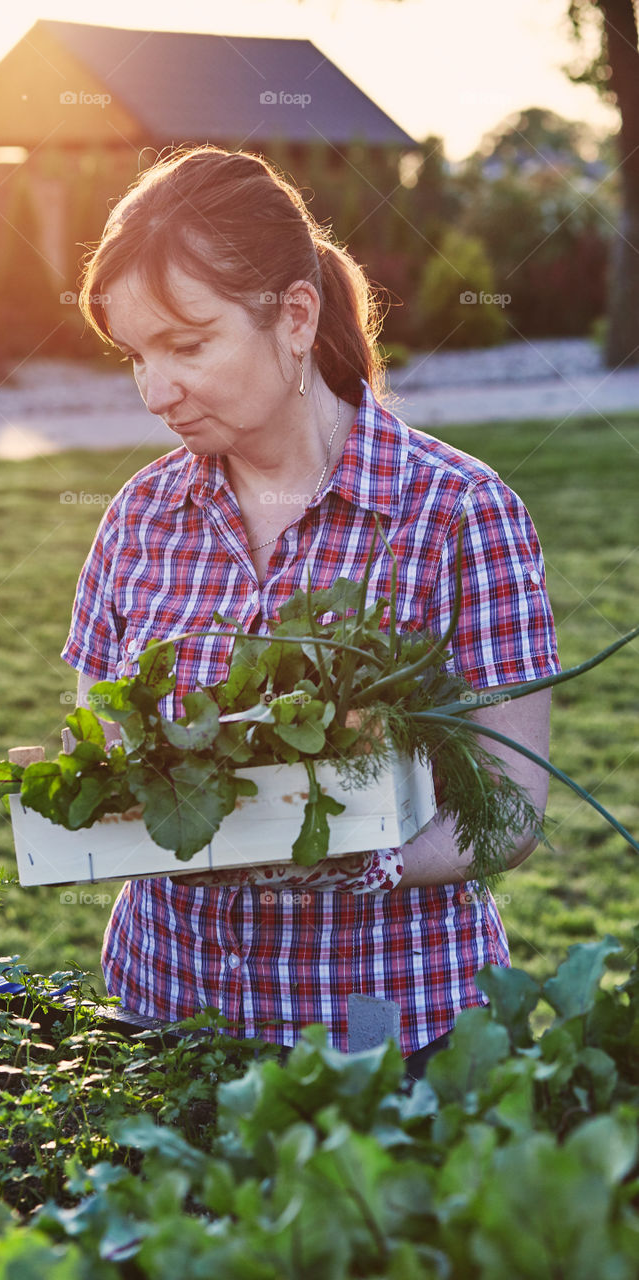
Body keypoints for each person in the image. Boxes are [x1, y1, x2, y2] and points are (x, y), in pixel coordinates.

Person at [61, 145, 559, 1073]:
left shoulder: (456, 511)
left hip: (388, 1030)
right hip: (167, 1012)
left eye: (187, 343)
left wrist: (340, 859)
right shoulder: (137, 516)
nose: (154, 390)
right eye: (135, 355)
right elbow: (102, 750)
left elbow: (507, 813)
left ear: (294, 315)